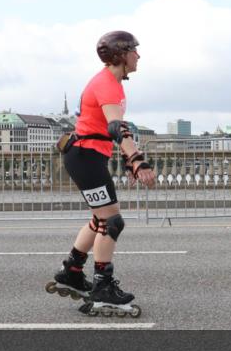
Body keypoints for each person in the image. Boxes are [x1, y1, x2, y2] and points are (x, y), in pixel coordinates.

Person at [45, 30, 157, 318]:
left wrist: (129, 160)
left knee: (100, 219)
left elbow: (108, 129)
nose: (139, 55)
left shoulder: (111, 83)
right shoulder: (107, 84)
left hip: (86, 155)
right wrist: (137, 161)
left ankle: (71, 271)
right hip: (85, 156)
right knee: (113, 221)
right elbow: (115, 128)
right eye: (135, 50)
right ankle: (102, 286)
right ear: (121, 54)